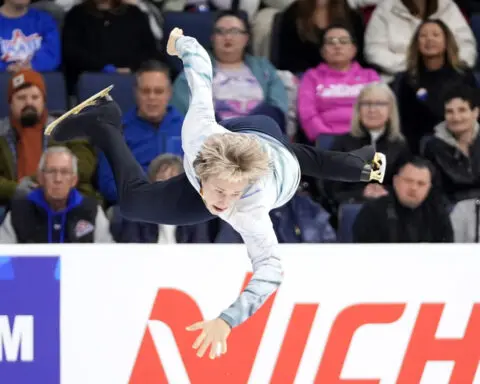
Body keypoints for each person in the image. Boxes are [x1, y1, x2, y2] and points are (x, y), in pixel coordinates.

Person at [46, 28, 386, 360]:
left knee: (307, 159)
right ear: (201, 173)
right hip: (235, 134)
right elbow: (201, 74)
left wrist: (228, 320)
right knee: (136, 203)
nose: (224, 202)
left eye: (232, 194)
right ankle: (105, 120)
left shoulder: (250, 206)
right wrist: (182, 43)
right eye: (219, 191)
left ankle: (360, 162)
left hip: (275, 156)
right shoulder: (199, 135)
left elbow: (270, 271)